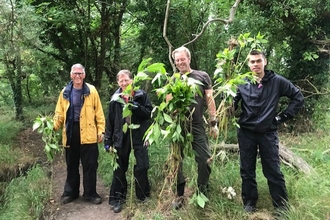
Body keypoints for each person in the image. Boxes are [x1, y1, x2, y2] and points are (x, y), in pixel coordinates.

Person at [233, 50, 304, 213]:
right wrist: (227, 107)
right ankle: (250, 203)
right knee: (247, 170)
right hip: (246, 132)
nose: (255, 64)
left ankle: (281, 207)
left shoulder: (277, 81)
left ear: (265, 62)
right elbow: (233, 101)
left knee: (273, 170)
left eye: (258, 61)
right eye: (252, 62)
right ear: (248, 64)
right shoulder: (241, 82)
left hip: (268, 132)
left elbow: (297, 97)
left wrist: (282, 117)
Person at [170, 46, 218, 209]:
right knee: (176, 160)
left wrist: (214, 122)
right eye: (177, 60)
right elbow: (169, 101)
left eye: (182, 59)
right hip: (178, 125)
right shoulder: (173, 79)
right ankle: (179, 194)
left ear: (189, 59)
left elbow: (210, 99)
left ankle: (202, 191)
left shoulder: (202, 76)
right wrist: (172, 109)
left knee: (205, 159)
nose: (180, 62)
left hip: (197, 125)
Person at [53, 63, 105, 205]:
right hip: (71, 132)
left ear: (84, 75)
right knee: (72, 165)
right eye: (75, 73)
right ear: (71, 75)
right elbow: (59, 114)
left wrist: (101, 130)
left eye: (80, 73)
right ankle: (71, 193)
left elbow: (99, 113)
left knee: (90, 165)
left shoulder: (92, 91)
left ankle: (90, 193)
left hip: (89, 133)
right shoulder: (65, 92)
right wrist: (52, 128)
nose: (77, 76)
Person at [104, 70, 152, 213]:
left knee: (142, 165)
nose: (124, 83)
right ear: (118, 82)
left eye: (126, 80)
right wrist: (108, 139)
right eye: (121, 81)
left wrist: (136, 107)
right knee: (119, 167)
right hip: (121, 135)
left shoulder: (141, 95)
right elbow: (110, 121)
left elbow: (149, 114)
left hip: (139, 134)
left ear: (132, 80)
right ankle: (118, 198)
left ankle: (142, 196)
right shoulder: (115, 99)